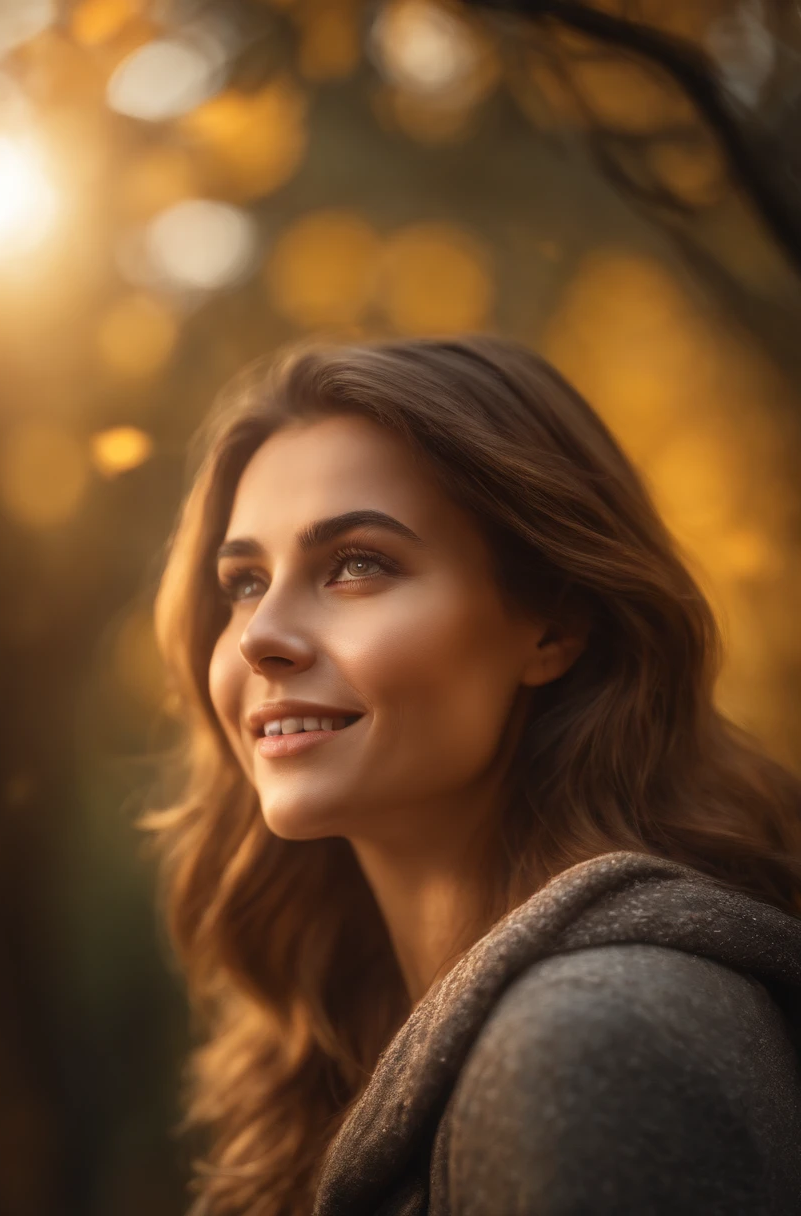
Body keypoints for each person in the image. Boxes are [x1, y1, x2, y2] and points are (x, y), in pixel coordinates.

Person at [142, 335, 801, 1216]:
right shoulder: (334, 1050)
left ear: (553, 627)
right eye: (245, 582)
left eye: (357, 564)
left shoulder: (593, 1044)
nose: (261, 635)